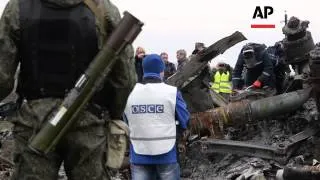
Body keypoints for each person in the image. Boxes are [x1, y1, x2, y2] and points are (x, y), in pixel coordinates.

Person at [0, 0, 136, 179]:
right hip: (89, 120)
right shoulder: (104, 9)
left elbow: (3, 76)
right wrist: (114, 112)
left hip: (34, 120)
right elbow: (124, 78)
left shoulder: (17, 7)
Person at [124, 54, 190, 180]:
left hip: (139, 152)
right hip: (166, 153)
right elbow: (184, 118)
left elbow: (126, 120)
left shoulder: (131, 94)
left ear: (143, 70)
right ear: (162, 70)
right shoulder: (171, 92)